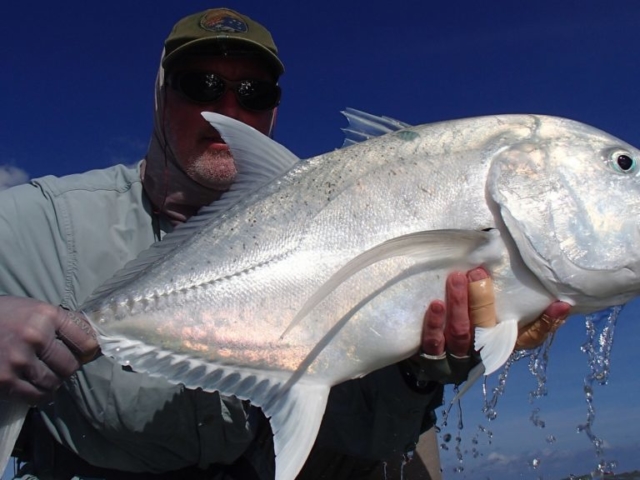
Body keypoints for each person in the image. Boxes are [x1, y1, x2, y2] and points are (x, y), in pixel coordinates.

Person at [0, 7, 569, 480]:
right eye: (199, 85)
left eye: (253, 92)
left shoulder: (342, 214)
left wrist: (425, 369)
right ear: (158, 95)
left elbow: (361, 432)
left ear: (273, 109)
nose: (225, 109)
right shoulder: (36, 223)